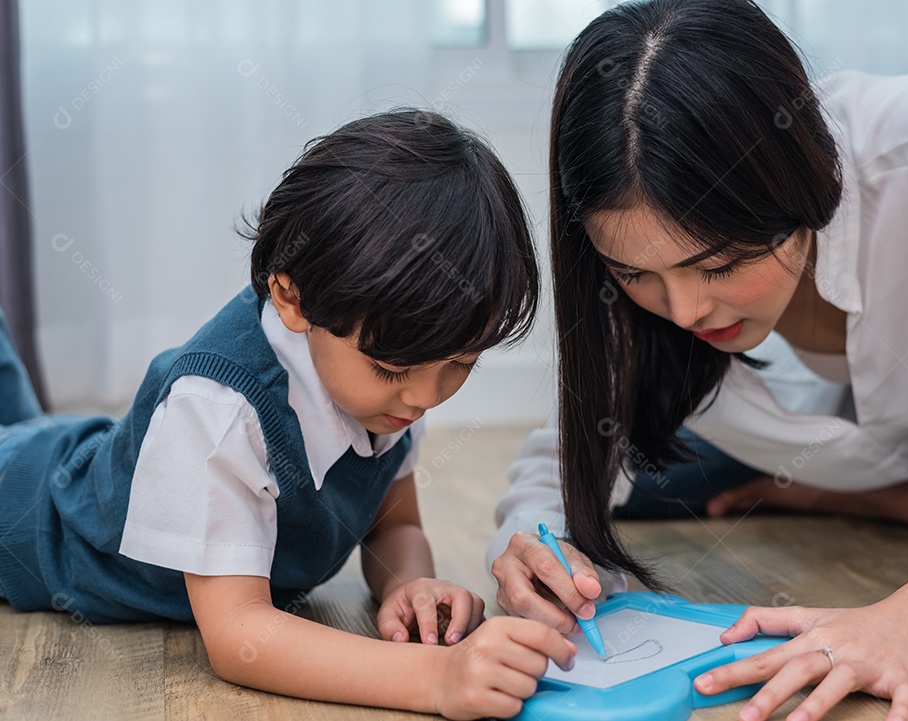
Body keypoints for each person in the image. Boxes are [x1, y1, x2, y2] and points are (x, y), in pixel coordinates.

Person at [487, 1, 908, 720]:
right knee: (650, 475)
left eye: (718, 264)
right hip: (825, 440)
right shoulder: (644, 295)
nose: (682, 312)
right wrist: (533, 556)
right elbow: (559, 462)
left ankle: (896, 497)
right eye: (634, 273)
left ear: (790, 186)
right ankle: (843, 485)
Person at [0, 110, 574, 721]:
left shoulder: (398, 376)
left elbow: (393, 526)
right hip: (31, 510)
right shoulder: (218, 410)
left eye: (461, 364)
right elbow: (239, 636)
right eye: (393, 370)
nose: (424, 398)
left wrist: (409, 583)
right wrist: (435, 678)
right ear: (291, 298)